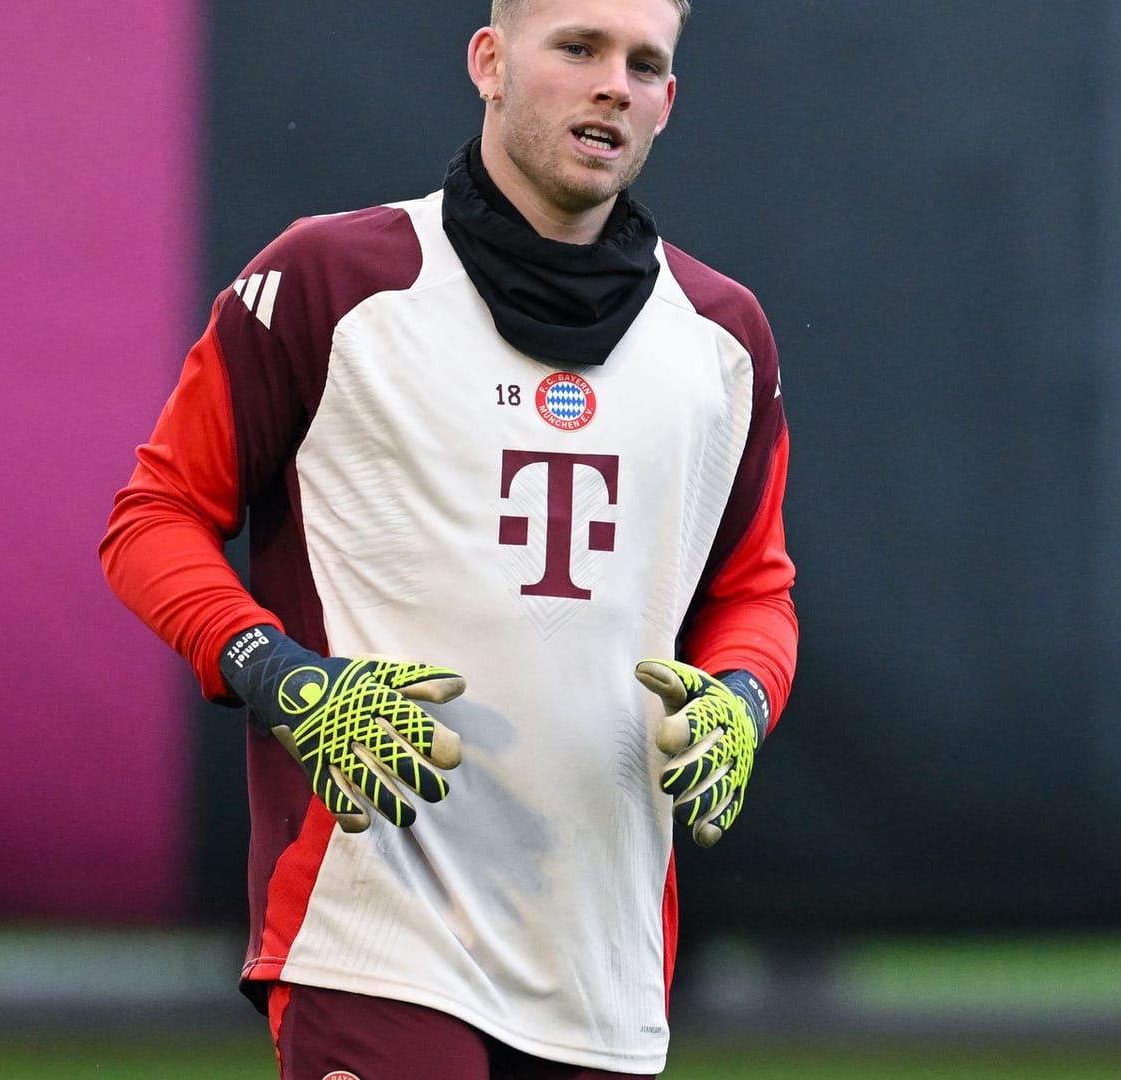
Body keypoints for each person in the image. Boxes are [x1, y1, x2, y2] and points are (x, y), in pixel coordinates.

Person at [99, 0, 797, 1075]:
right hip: (373, 933)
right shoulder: (332, 281)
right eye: (578, 48)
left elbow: (755, 591)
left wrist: (742, 700)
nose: (613, 82)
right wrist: (284, 678)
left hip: (602, 971)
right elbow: (153, 520)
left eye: (644, 63)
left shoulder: (722, 337)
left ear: (669, 100)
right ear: (490, 61)